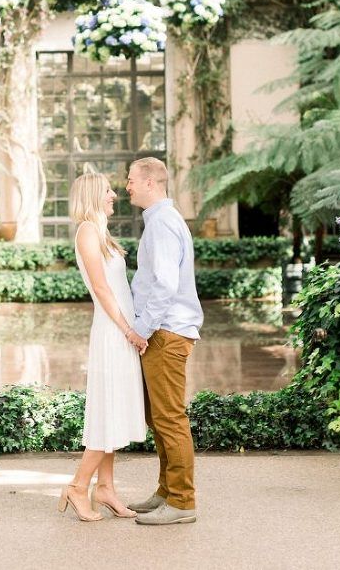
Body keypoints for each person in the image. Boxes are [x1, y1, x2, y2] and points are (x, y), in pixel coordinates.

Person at [58, 171, 147, 522]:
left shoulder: (101, 233)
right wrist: (128, 330)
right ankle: (79, 487)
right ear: (94, 195)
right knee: (107, 413)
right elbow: (102, 289)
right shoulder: (87, 232)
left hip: (120, 331)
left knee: (115, 411)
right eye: (108, 190)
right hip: (112, 332)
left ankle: (106, 488)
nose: (114, 195)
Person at [125, 157, 203, 526]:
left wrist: (142, 328)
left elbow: (165, 285)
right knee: (160, 418)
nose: (127, 186)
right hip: (167, 331)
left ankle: (183, 501)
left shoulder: (162, 224)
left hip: (166, 333)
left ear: (151, 183)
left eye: (131, 180)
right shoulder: (161, 221)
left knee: (170, 418)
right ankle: (166, 493)